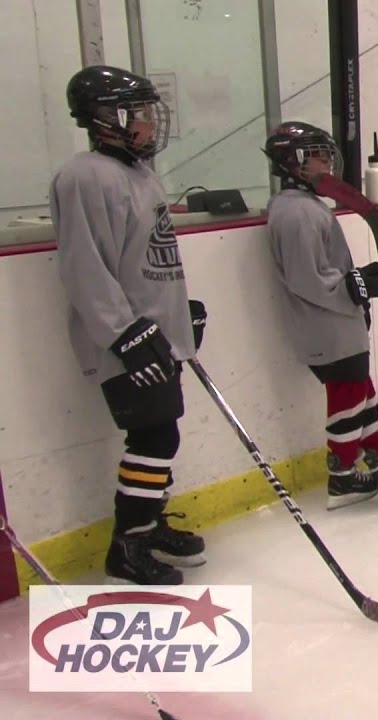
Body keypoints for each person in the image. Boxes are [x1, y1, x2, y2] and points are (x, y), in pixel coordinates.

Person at [51, 65, 207, 584]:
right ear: (104, 120)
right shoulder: (85, 177)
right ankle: (128, 545)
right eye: (136, 114)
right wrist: (124, 332)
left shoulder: (140, 174)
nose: (148, 123)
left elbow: (150, 257)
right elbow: (84, 266)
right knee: (153, 438)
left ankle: (150, 521)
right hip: (125, 340)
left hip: (154, 334)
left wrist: (180, 314)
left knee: (164, 434)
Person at [262, 121, 378, 509]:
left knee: (361, 391)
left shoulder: (307, 206)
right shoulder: (295, 213)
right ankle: (343, 474)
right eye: (316, 155)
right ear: (291, 162)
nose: (326, 161)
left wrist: (366, 282)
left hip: (338, 321)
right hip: (323, 325)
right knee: (348, 394)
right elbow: (307, 279)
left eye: (327, 153)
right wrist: (359, 285)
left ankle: (377, 458)